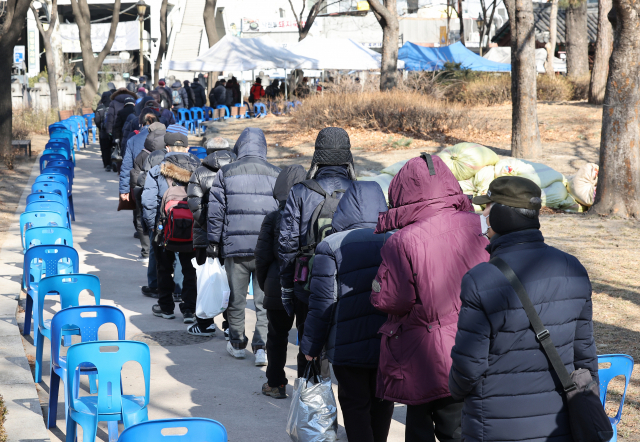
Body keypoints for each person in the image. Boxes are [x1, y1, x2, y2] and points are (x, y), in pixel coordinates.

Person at [448, 177, 598, 442]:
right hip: (558, 425)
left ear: (503, 215)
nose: (483, 214)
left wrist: (455, 390)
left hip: (494, 426)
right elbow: (584, 353)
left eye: (488, 207)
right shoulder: (574, 268)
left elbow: (469, 367)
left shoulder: (480, 279)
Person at [370, 154, 489, 442]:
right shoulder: (480, 225)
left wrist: (376, 288)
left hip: (423, 351)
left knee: (419, 422)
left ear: (403, 192)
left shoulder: (403, 240)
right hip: (474, 343)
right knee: (458, 426)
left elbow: (393, 300)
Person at [301, 181, 394, 441]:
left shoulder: (330, 245)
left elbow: (322, 302)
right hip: (387, 342)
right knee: (383, 402)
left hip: (346, 344)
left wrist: (311, 346)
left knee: (355, 406)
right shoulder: (396, 239)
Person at [278, 127, 356, 377]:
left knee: (310, 347)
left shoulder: (301, 191)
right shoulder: (360, 190)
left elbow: (287, 243)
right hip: (350, 280)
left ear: (317, 155)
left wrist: (287, 287)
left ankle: (313, 409)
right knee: (349, 348)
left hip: (308, 282)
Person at [207, 127, 280, 364]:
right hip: (266, 250)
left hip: (234, 248)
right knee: (263, 302)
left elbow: (216, 212)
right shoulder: (277, 173)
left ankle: (237, 343)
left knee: (236, 299)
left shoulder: (225, 172)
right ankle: (261, 348)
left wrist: (213, 242)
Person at [255, 164, 307, 399]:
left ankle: (275, 383)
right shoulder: (311, 216)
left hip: (278, 285)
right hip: (306, 284)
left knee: (277, 337)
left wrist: (266, 284)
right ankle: (306, 386)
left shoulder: (274, 218)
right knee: (307, 338)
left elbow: (262, 256)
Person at [142, 131, 200, 323]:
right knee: (190, 269)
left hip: (164, 228)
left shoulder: (157, 170)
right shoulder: (198, 169)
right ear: (187, 148)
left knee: (164, 269)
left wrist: (154, 228)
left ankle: (166, 308)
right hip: (192, 229)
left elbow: (148, 202)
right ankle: (190, 310)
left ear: (166, 148)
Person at [186, 138, 237, 337]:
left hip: (204, 236)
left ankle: (205, 323)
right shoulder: (237, 171)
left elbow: (194, 206)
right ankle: (231, 325)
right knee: (233, 282)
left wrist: (210, 228)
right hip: (233, 236)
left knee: (206, 279)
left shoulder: (199, 172)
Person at [120, 116, 163, 261]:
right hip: (164, 189)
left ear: (142, 123)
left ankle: (146, 251)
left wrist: (124, 190)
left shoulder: (133, 140)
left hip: (140, 185)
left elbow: (126, 168)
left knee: (140, 217)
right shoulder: (167, 140)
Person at [96, 82, 116, 170]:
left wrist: (100, 127)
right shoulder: (113, 107)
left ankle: (107, 164)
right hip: (112, 131)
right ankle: (114, 163)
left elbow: (96, 120)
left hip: (103, 132)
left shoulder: (100, 108)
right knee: (113, 147)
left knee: (105, 149)